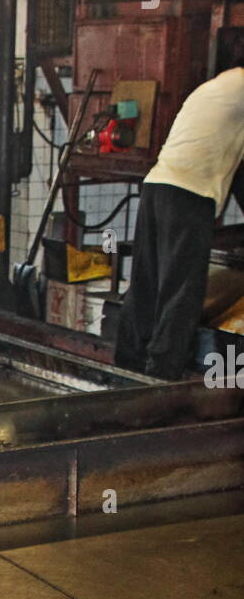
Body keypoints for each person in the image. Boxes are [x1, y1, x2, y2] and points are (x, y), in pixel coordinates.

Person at [114, 64, 244, 380]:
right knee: (182, 288)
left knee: (147, 281)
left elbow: (237, 170)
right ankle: (162, 375)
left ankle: (127, 367)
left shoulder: (216, 89)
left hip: (157, 186)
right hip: (189, 195)